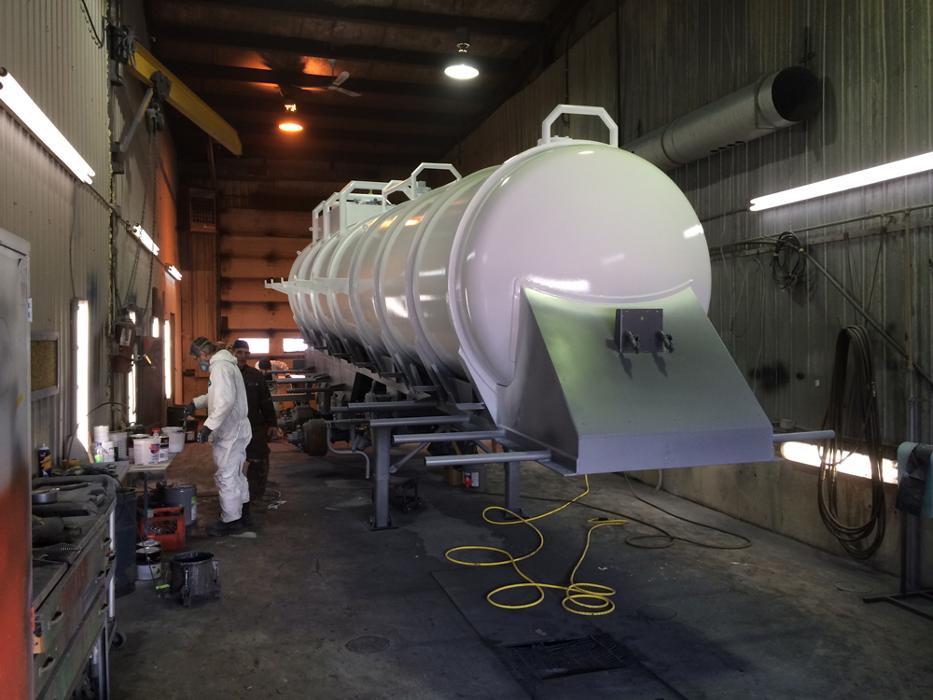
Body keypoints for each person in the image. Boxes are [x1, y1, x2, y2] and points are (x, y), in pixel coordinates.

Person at [186, 337, 252, 536]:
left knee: (226, 475)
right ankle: (243, 513)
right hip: (237, 427)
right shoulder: (226, 364)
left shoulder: (220, 367)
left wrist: (208, 427)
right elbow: (217, 395)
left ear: (203, 354)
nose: (198, 362)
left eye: (197, 358)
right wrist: (196, 403)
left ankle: (231, 521)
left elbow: (225, 402)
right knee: (236, 473)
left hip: (230, 429)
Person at [231, 340, 278, 507]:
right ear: (232, 353)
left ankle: (256, 496)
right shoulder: (225, 374)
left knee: (260, 459)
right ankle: (233, 498)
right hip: (231, 428)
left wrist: (272, 423)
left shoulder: (256, 375)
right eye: (239, 352)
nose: (243, 356)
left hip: (254, 425)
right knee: (231, 464)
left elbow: (265, 401)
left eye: (246, 353)